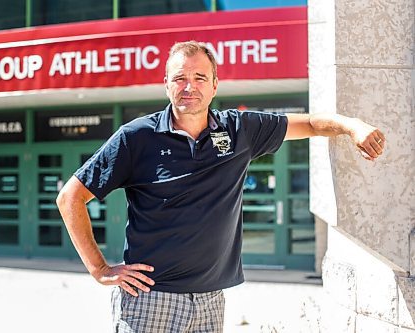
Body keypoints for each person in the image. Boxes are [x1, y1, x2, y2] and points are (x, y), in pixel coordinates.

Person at [56, 41, 385, 332]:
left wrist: (352, 126)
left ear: (214, 86)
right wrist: (100, 269)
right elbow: (70, 197)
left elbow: (311, 123)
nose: (190, 87)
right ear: (166, 85)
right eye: (180, 78)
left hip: (211, 301)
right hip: (149, 302)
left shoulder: (240, 130)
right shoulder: (136, 137)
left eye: (199, 78)